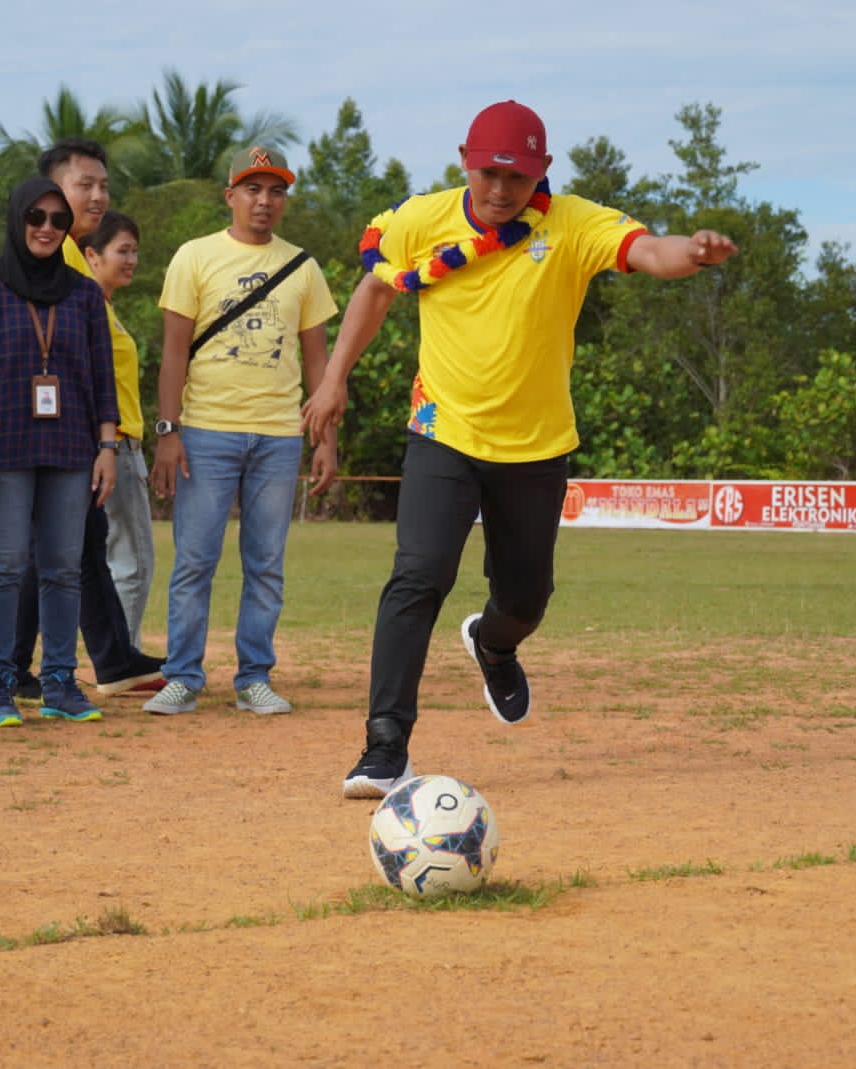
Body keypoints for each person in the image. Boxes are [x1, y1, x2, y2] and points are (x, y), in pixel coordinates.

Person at [301, 100, 738, 798]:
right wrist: (333, 379)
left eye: (517, 177)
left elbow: (650, 250)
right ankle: (384, 747)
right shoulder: (424, 218)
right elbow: (376, 292)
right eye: (488, 175)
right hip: (443, 430)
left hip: (536, 446)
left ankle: (495, 643)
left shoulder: (571, 223)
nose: (502, 191)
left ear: (541, 172)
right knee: (417, 576)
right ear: (464, 162)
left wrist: (695, 253)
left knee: (527, 597)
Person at [146, 145, 339, 716]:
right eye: (253, 189)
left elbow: (318, 366)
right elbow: (173, 353)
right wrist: (166, 430)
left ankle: (254, 676)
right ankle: (182, 676)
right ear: (230, 195)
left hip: (278, 436)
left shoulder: (303, 267)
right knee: (195, 560)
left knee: (266, 564)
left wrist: (325, 439)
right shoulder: (193, 257)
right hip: (206, 431)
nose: (264, 201)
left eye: (276, 190)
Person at [0, 176, 119, 728]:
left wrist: (107, 446)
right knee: (3, 566)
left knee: (63, 570)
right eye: (36, 218)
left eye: (57, 220)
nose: (46, 228)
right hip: (1, 447)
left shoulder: (84, 292)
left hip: (72, 447)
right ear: (17, 219)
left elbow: (102, 378)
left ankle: (59, 683)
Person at [4, 139, 165, 700]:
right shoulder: (51, 258)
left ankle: (110, 657)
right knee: (47, 553)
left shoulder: (74, 258)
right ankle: (15, 665)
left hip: (79, 437)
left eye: (103, 185)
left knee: (82, 549)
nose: (98, 196)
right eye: (83, 185)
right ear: (51, 191)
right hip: (55, 438)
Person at [80, 210, 159, 661]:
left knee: (114, 559)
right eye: (121, 251)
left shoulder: (106, 308)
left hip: (120, 444)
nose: (131, 260)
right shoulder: (90, 309)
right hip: (114, 446)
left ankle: (117, 654)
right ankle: (120, 657)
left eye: (135, 251)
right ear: (92, 256)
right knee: (132, 561)